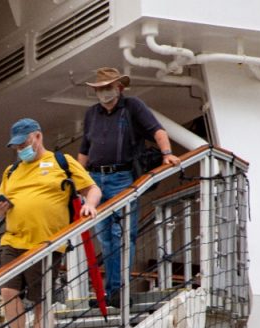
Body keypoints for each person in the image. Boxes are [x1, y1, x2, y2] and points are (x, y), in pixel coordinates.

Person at [0, 118, 101, 328]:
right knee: (8, 291)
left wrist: (90, 205)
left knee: (41, 299)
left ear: (37, 137)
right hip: (14, 239)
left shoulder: (61, 162)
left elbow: (92, 188)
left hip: (46, 242)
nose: (20, 150)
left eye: (23, 144)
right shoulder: (11, 171)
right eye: (16, 147)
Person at [77, 67, 182, 307]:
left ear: (119, 88)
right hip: (95, 180)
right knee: (105, 237)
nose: (103, 92)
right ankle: (110, 291)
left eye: (107, 87)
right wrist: (78, 180)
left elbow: (157, 130)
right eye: (100, 88)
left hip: (121, 177)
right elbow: (85, 149)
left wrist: (167, 154)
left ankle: (118, 290)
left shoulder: (132, 106)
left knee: (122, 235)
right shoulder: (91, 114)